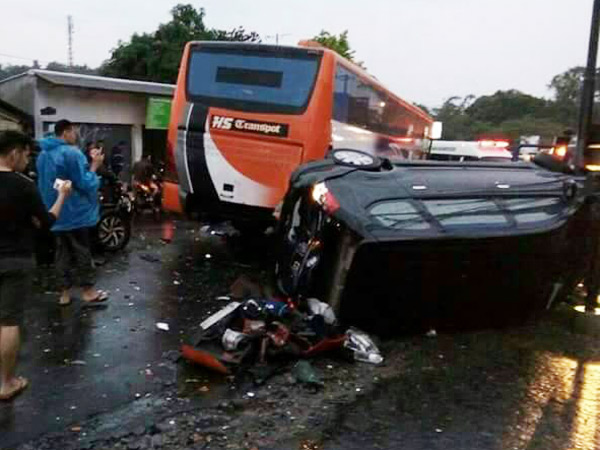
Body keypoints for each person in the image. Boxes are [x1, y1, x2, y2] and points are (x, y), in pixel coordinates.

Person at [0, 130, 72, 401]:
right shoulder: (22, 185)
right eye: (26, 155)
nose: (28, 160)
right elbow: (46, 223)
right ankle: (7, 383)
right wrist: (62, 196)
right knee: (8, 321)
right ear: (14, 152)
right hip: (15, 260)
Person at [37, 120, 109, 306]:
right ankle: (88, 291)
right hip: (76, 212)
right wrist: (95, 165)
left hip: (54, 211)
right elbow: (85, 183)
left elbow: (46, 184)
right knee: (82, 251)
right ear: (66, 132)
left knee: (61, 254)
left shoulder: (43, 155)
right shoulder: (72, 153)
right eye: (74, 132)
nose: (76, 135)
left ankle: (64, 294)